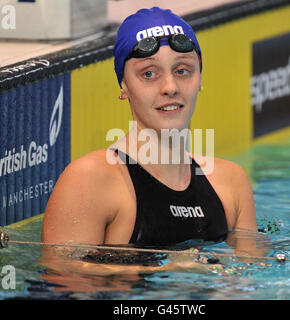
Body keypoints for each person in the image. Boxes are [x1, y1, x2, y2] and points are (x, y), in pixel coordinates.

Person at [41, 7, 262, 276]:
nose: (170, 87)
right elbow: (60, 275)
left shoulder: (230, 183)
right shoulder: (92, 178)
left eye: (182, 70)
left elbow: (253, 277)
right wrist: (163, 270)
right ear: (123, 85)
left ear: (200, 79)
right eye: (149, 74)